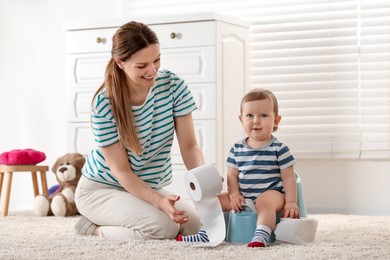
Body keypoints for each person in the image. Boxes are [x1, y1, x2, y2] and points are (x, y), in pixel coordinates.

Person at [73, 21, 204, 240]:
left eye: (157, 60)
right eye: (142, 65)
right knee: (165, 228)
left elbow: (190, 146)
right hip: (101, 190)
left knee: (193, 224)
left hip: (143, 187)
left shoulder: (173, 86)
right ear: (120, 63)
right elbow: (122, 172)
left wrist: (205, 186)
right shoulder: (104, 103)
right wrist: (159, 202)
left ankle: (132, 213)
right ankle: (93, 228)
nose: (152, 71)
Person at [176, 88, 299, 247]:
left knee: (265, 203)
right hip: (243, 194)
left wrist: (290, 202)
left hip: (271, 193)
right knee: (213, 202)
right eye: (250, 115)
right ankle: (206, 233)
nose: (256, 120)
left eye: (263, 115)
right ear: (241, 120)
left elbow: (289, 177)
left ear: (276, 120)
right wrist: (234, 195)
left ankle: (261, 235)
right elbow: (232, 176)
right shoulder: (237, 149)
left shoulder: (279, 148)